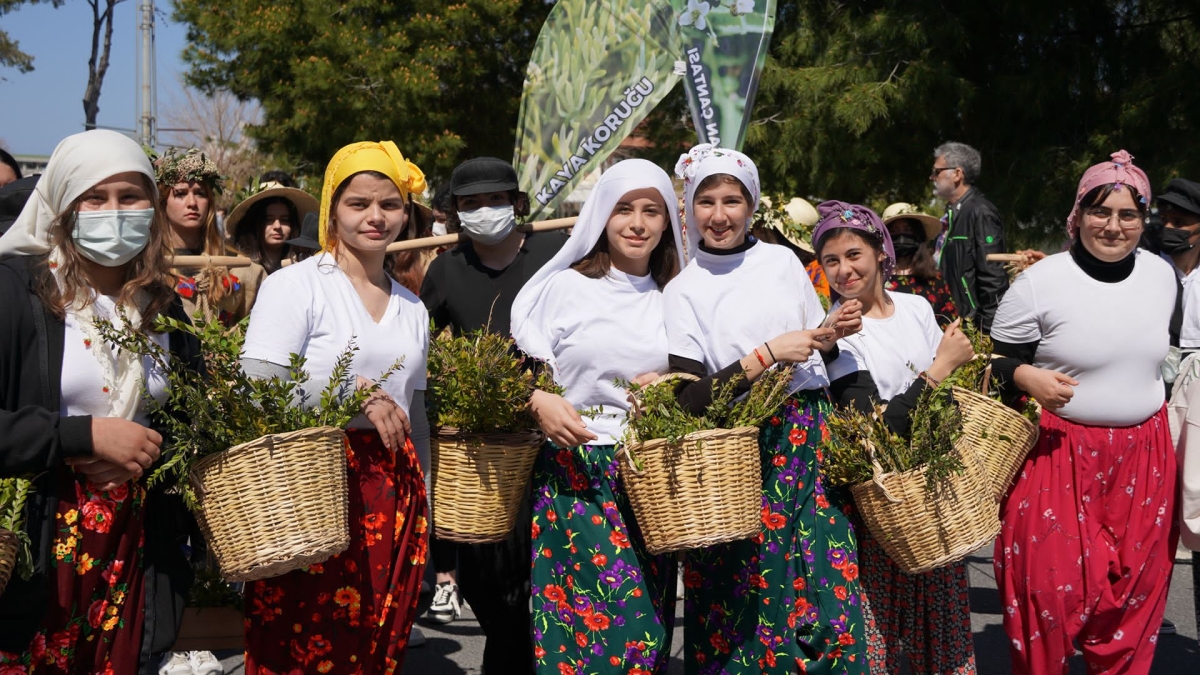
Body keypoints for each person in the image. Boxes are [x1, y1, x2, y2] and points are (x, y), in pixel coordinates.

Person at [0, 129, 200, 674]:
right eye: (96, 197)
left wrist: (150, 450)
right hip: (33, 552)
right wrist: (83, 436)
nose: (114, 212)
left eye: (130, 196)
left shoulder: (164, 310)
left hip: (134, 548)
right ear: (64, 207)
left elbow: (192, 423)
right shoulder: (16, 293)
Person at [663, 144, 868, 673]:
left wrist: (830, 333)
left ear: (751, 205)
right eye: (705, 201)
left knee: (825, 592)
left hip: (809, 440)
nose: (719, 215)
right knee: (740, 601)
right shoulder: (683, 289)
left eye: (732, 200)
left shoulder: (781, 262)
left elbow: (820, 348)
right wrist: (767, 354)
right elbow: (688, 397)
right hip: (737, 456)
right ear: (688, 209)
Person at [239, 140, 431, 673]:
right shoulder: (295, 286)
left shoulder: (413, 306)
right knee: (305, 639)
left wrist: (427, 505)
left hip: (393, 490)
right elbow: (258, 388)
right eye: (359, 203)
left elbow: (416, 414)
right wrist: (349, 392)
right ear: (331, 209)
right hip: (311, 488)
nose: (376, 217)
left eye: (390, 204)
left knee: (378, 638)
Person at [990, 150, 1177, 674]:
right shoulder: (1041, 282)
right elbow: (989, 361)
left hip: (1145, 459)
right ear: (1078, 214)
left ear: (1144, 220)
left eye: (1128, 215)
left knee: (1131, 603)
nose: (1113, 226)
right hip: (1056, 455)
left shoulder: (1162, 277)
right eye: (1100, 211)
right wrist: (1025, 376)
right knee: (1047, 598)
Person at [511, 159, 684, 673]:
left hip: (650, 474)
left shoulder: (677, 295)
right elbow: (514, 368)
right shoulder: (565, 287)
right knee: (591, 628)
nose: (637, 223)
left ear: (668, 222)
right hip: (575, 470)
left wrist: (676, 385)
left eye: (651, 211)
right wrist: (537, 399)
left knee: (646, 629)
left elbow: (703, 377)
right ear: (601, 218)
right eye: (623, 209)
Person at [816, 201, 978, 674]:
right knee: (878, 635)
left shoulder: (916, 307)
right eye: (831, 261)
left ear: (881, 253)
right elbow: (875, 428)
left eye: (853, 254)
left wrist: (939, 380)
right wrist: (941, 367)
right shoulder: (837, 332)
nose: (844, 270)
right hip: (882, 502)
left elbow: (945, 400)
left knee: (942, 629)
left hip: (931, 493)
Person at [417, 156, 565, 672]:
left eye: (496, 199)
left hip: (556, 441)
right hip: (483, 456)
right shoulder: (445, 270)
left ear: (518, 204)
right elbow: (422, 353)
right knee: (489, 587)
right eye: (471, 203)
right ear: (455, 212)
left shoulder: (555, 255)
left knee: (542, 582)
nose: (485, 211)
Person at [155, 148, 265, 326]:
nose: (192, 203)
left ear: (210, 203)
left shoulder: (240, 268)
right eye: (181, 194)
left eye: (200, 193)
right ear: (163, 202)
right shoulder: (148, 268)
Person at [930, 142, 1008, 332]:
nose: (931, 177)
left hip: (972, 328)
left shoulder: (980, 212)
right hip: (950, 322)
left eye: (936, 171)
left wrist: (986, 331)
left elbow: (994, 277)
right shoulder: (953, 214)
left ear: (957, 174)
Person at [881, 202, 958, 328]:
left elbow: (949, 323)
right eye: (894, 231)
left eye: (907, 230)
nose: (901, 236)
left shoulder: (934, 280)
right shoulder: (875, 280)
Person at [226, 181, 319, 274]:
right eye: (268, 219)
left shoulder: (305, 264)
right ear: (253, 223)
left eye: (284, 220)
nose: (277, 226)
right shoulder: (237, 266)